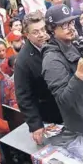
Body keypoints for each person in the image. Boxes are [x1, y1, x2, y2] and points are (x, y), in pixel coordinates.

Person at [42, 5, 83, 151]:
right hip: (80, 129)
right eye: (63, 25)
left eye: (70, 23)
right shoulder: (51, 60)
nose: (70, 28)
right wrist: (79, 74)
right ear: (52, 29)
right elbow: (63, 100)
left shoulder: (72, 43)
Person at [14, 12, 62, 144]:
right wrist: (35, 125)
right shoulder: (23, 61)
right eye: (35, 32)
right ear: (27, 35)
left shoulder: (55, 42)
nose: (41, 34)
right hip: (49, 112)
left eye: (42, 29)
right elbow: (24, 96)